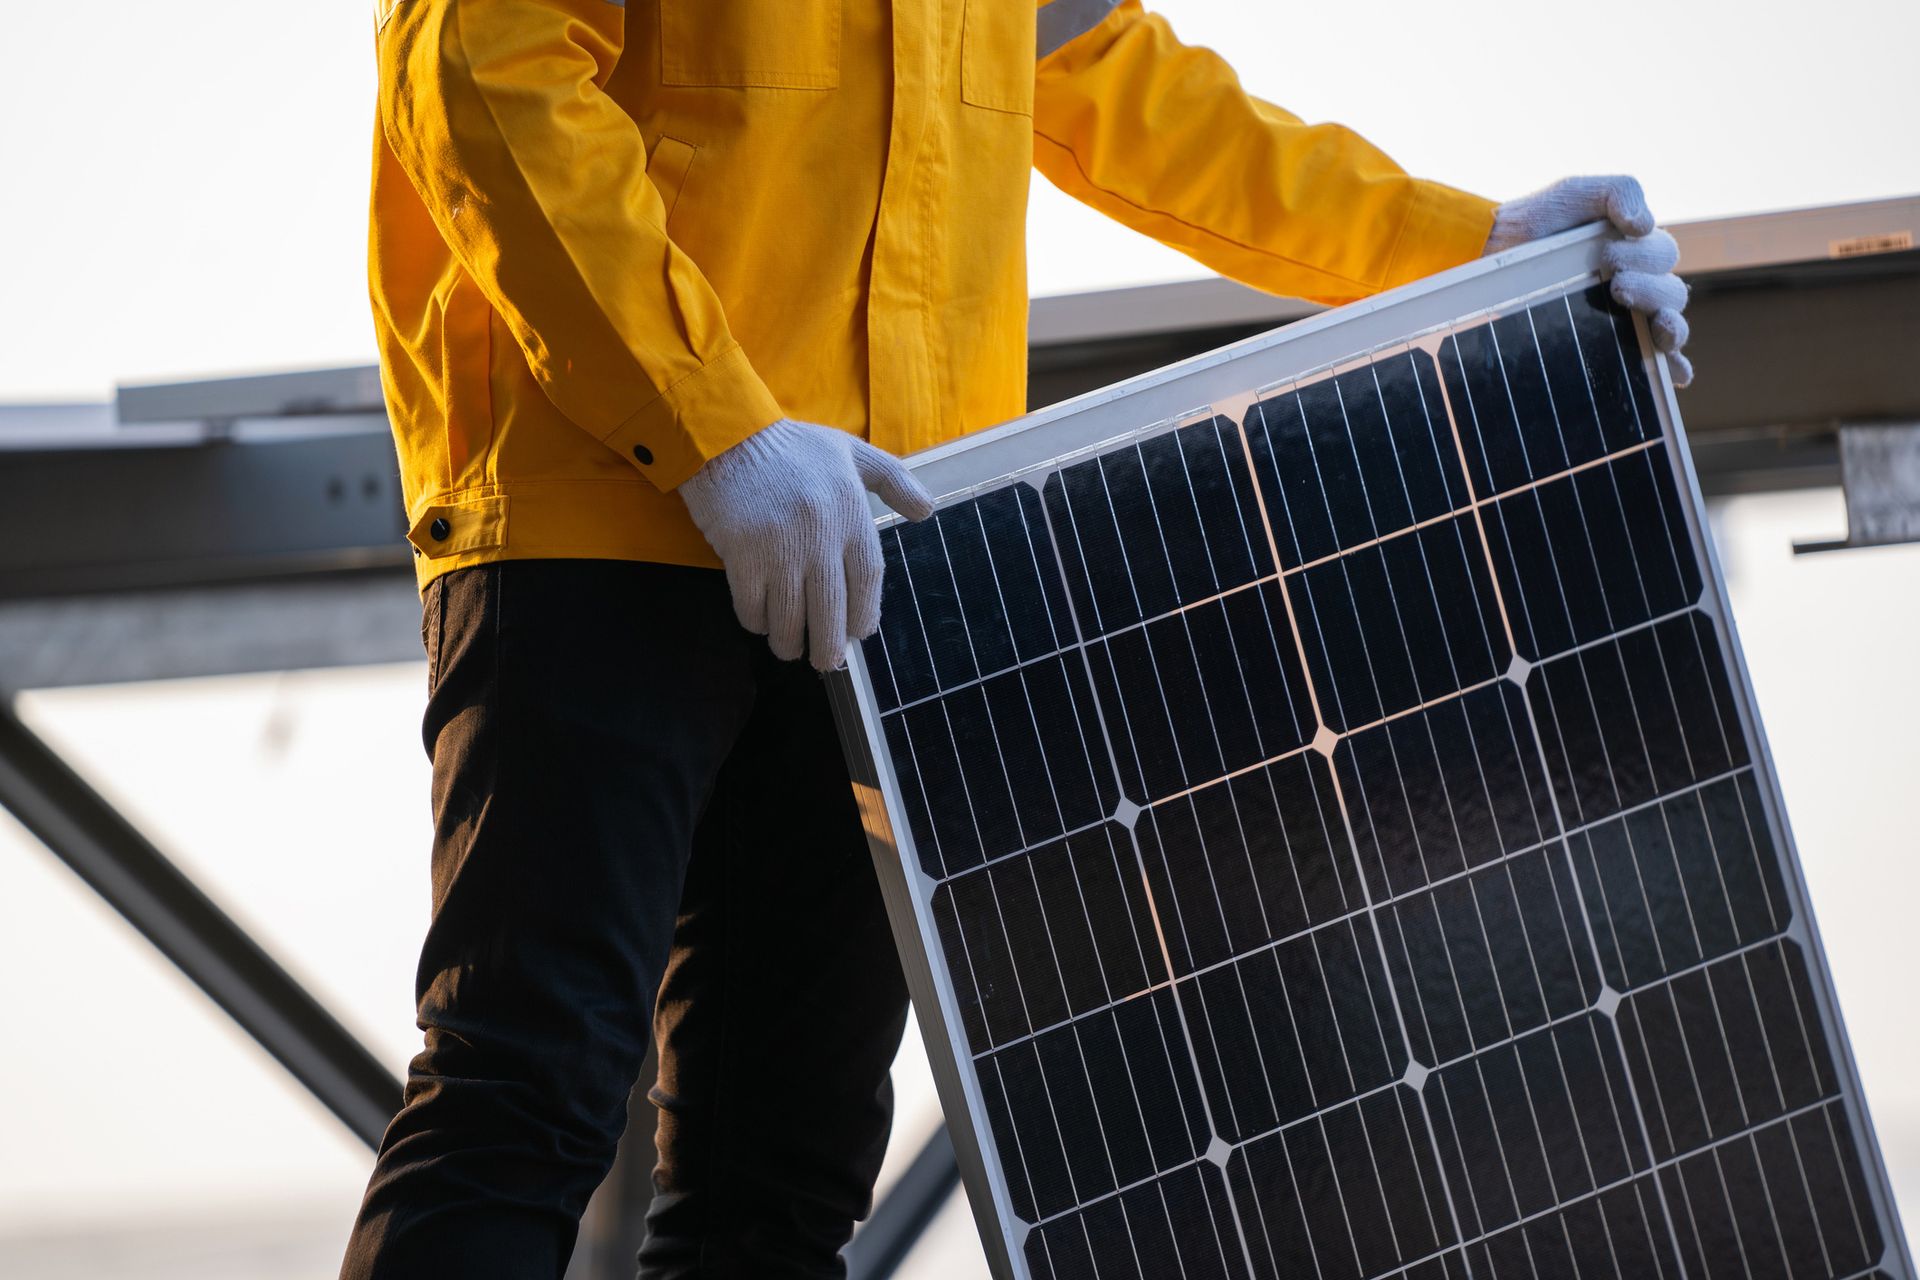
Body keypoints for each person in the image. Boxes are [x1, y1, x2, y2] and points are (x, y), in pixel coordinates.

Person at [342, 1, 1690, 1276]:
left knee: (782, 1177)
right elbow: (482, 69)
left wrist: (1467, 247)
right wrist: (720, 433)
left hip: (882, 544)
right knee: (526, 1093)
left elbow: (1109, 78)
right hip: (602, 518)